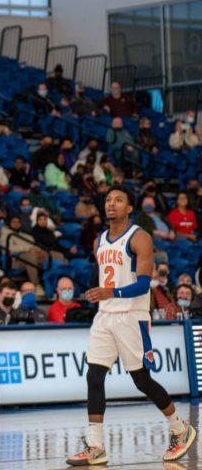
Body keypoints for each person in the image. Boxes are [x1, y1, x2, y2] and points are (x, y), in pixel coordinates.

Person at [67, 188, 196, 465]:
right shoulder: (99, 240)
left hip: (132, 315)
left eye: (118, 200)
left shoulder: (140, 237)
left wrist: (109, 292)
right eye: (108, 200)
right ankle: (96, 446)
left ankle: (179, 427)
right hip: (105, 315)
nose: (111, 204)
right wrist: (96, 293)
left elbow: (142, 284)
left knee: (141, 379)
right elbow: (101, 276)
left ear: (129, 208)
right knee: (94, 375)